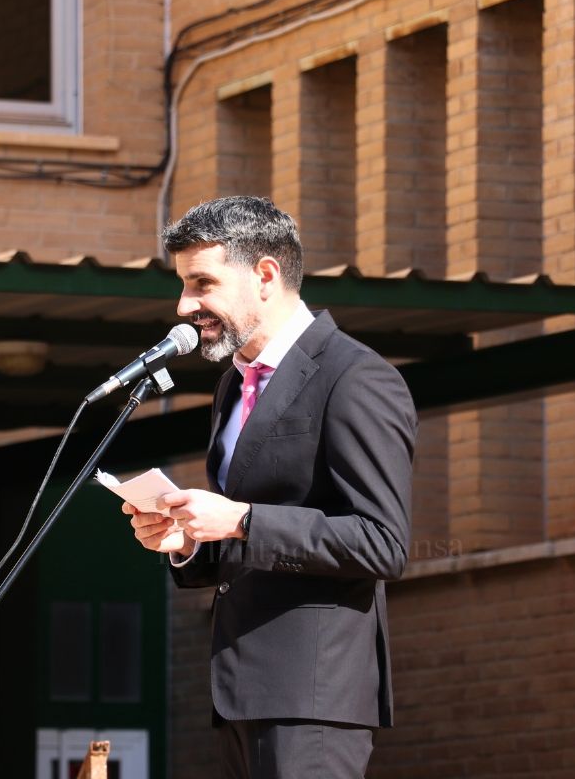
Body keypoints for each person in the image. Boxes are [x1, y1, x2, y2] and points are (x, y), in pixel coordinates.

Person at [122, 196, 417, 778]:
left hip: (312, 698)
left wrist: (240, 520)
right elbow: (247, 542)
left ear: (264, 275)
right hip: (240, 693)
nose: (184, 305)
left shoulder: (356, 377)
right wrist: (189, 541)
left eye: (203, 283)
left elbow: (383, 543)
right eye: (183, 285)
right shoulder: (232, 386)